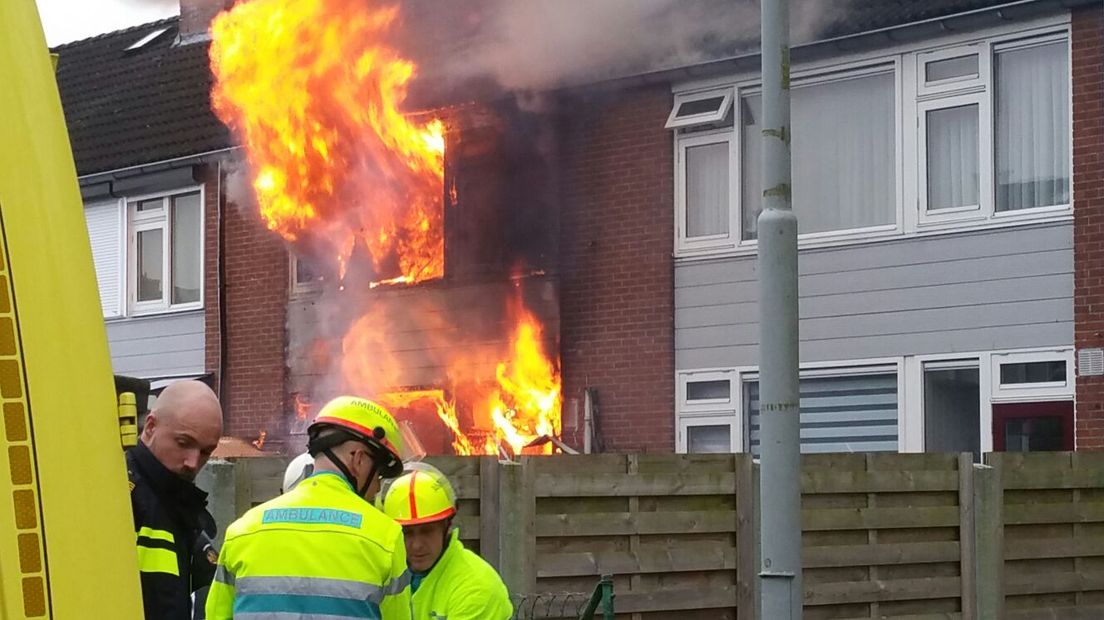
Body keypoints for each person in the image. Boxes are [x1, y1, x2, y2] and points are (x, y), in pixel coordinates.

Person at [207, 396, 415, 619]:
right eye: (379, 474)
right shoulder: (385, 537)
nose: (376, 488)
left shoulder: (242, 531)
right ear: (359, 458)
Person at [128, 380, 223, 620]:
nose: (193, 463)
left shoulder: (182, 509)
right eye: (183, 443)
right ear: (150, 427)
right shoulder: (119, 499)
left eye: (205, 452)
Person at [380, 463, 513, 620]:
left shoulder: (476, 587)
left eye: (427, 531)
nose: (416, 545)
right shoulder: (389, 575)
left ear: (447, 526)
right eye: (406, 533)